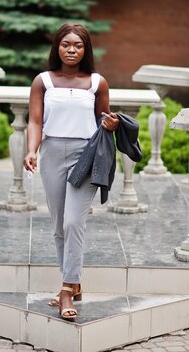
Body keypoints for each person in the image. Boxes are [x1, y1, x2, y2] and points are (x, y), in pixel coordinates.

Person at [23, 23, 119, 321]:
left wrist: (111, 124)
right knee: (59, 225)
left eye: (78, 45)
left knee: (74, 221)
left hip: (86, 155)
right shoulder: (43, 81)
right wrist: (31, 150)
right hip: (52, 154)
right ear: (57, 47)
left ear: (85, 49)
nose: (72, 50)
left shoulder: (97, 83)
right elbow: (35, 122)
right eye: (66, 44)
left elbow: (103, 119)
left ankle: (66, 289)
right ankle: (75, 282)